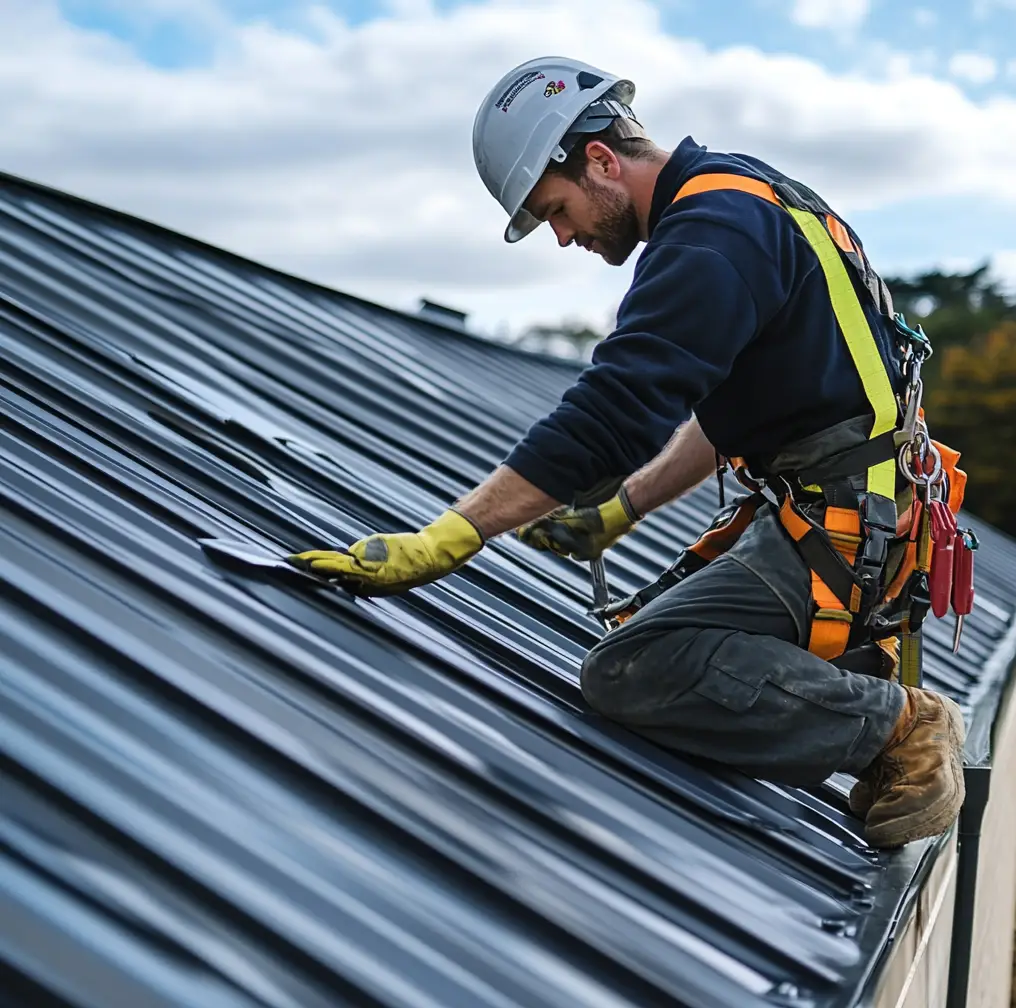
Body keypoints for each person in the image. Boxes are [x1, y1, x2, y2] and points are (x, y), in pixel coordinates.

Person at [291, 57, 966, 848]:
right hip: (861, 513)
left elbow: (616, 411)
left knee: (636, 666)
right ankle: (873, 721)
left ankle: (900, 727)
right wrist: (623, 508)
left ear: (602, 161)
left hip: (846, 528)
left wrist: (451, 537)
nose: (565, 236)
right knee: (657, 640)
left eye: (556, 210)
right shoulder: (745, 196)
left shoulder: (710, 236)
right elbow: (731, 411)